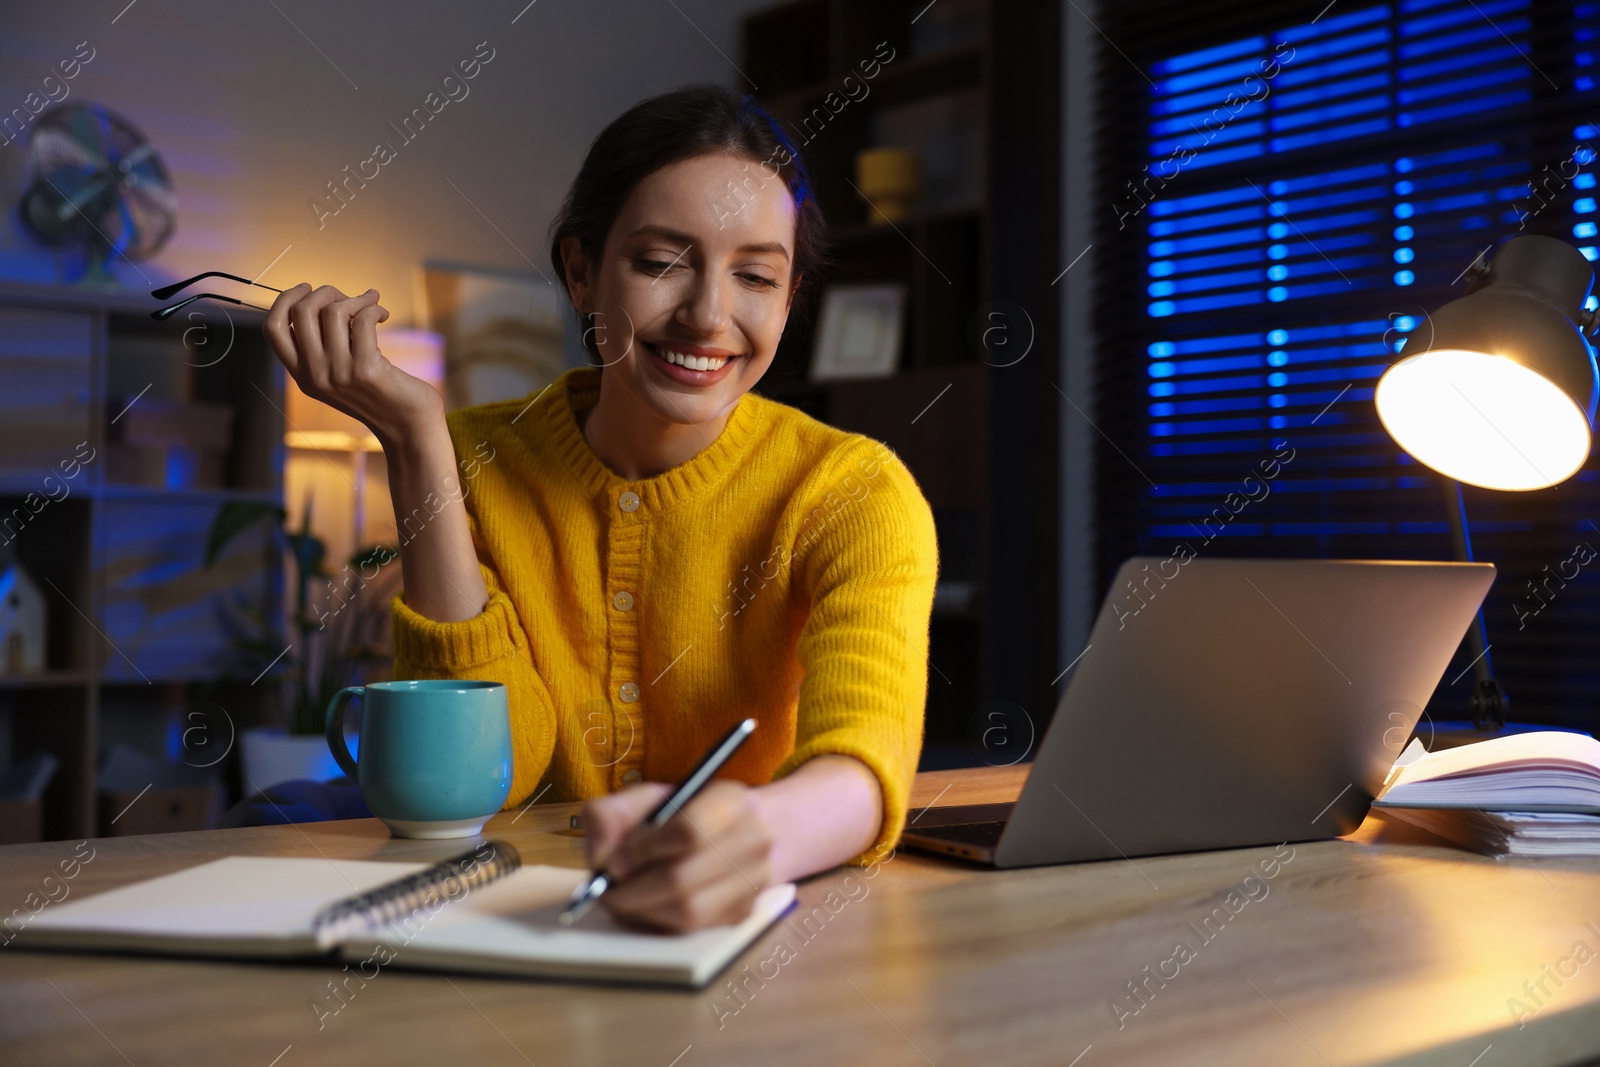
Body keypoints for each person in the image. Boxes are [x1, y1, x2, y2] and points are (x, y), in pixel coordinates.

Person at [262, 83, 938, 932]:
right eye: (661, 262)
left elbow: (863, 764)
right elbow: (492, 775)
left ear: (790, 296)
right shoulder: (471, 458)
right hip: (506, 919)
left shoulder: (852, 492)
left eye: (756, 276)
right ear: (582, 273)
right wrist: (417, 444)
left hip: (757, 924)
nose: (708, 315)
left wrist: (750, 837)